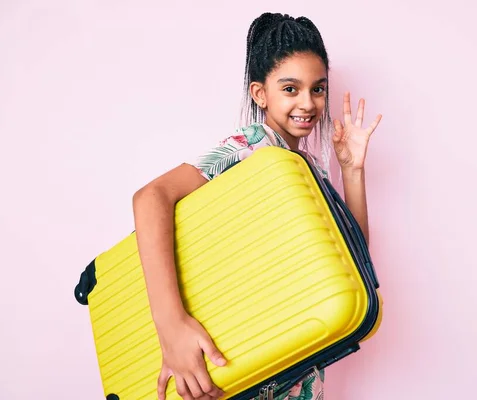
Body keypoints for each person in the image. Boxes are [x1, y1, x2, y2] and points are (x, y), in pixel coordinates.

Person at [132, 12, 382, 400]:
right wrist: (172, 326)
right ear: (259, 93)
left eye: (318, 89)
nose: (308, 102)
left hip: (292, 365)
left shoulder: (308, 167)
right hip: (244, 364)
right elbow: (151, 198)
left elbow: (352, 262)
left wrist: (352, 170)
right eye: (290, 88)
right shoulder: (252, 145)